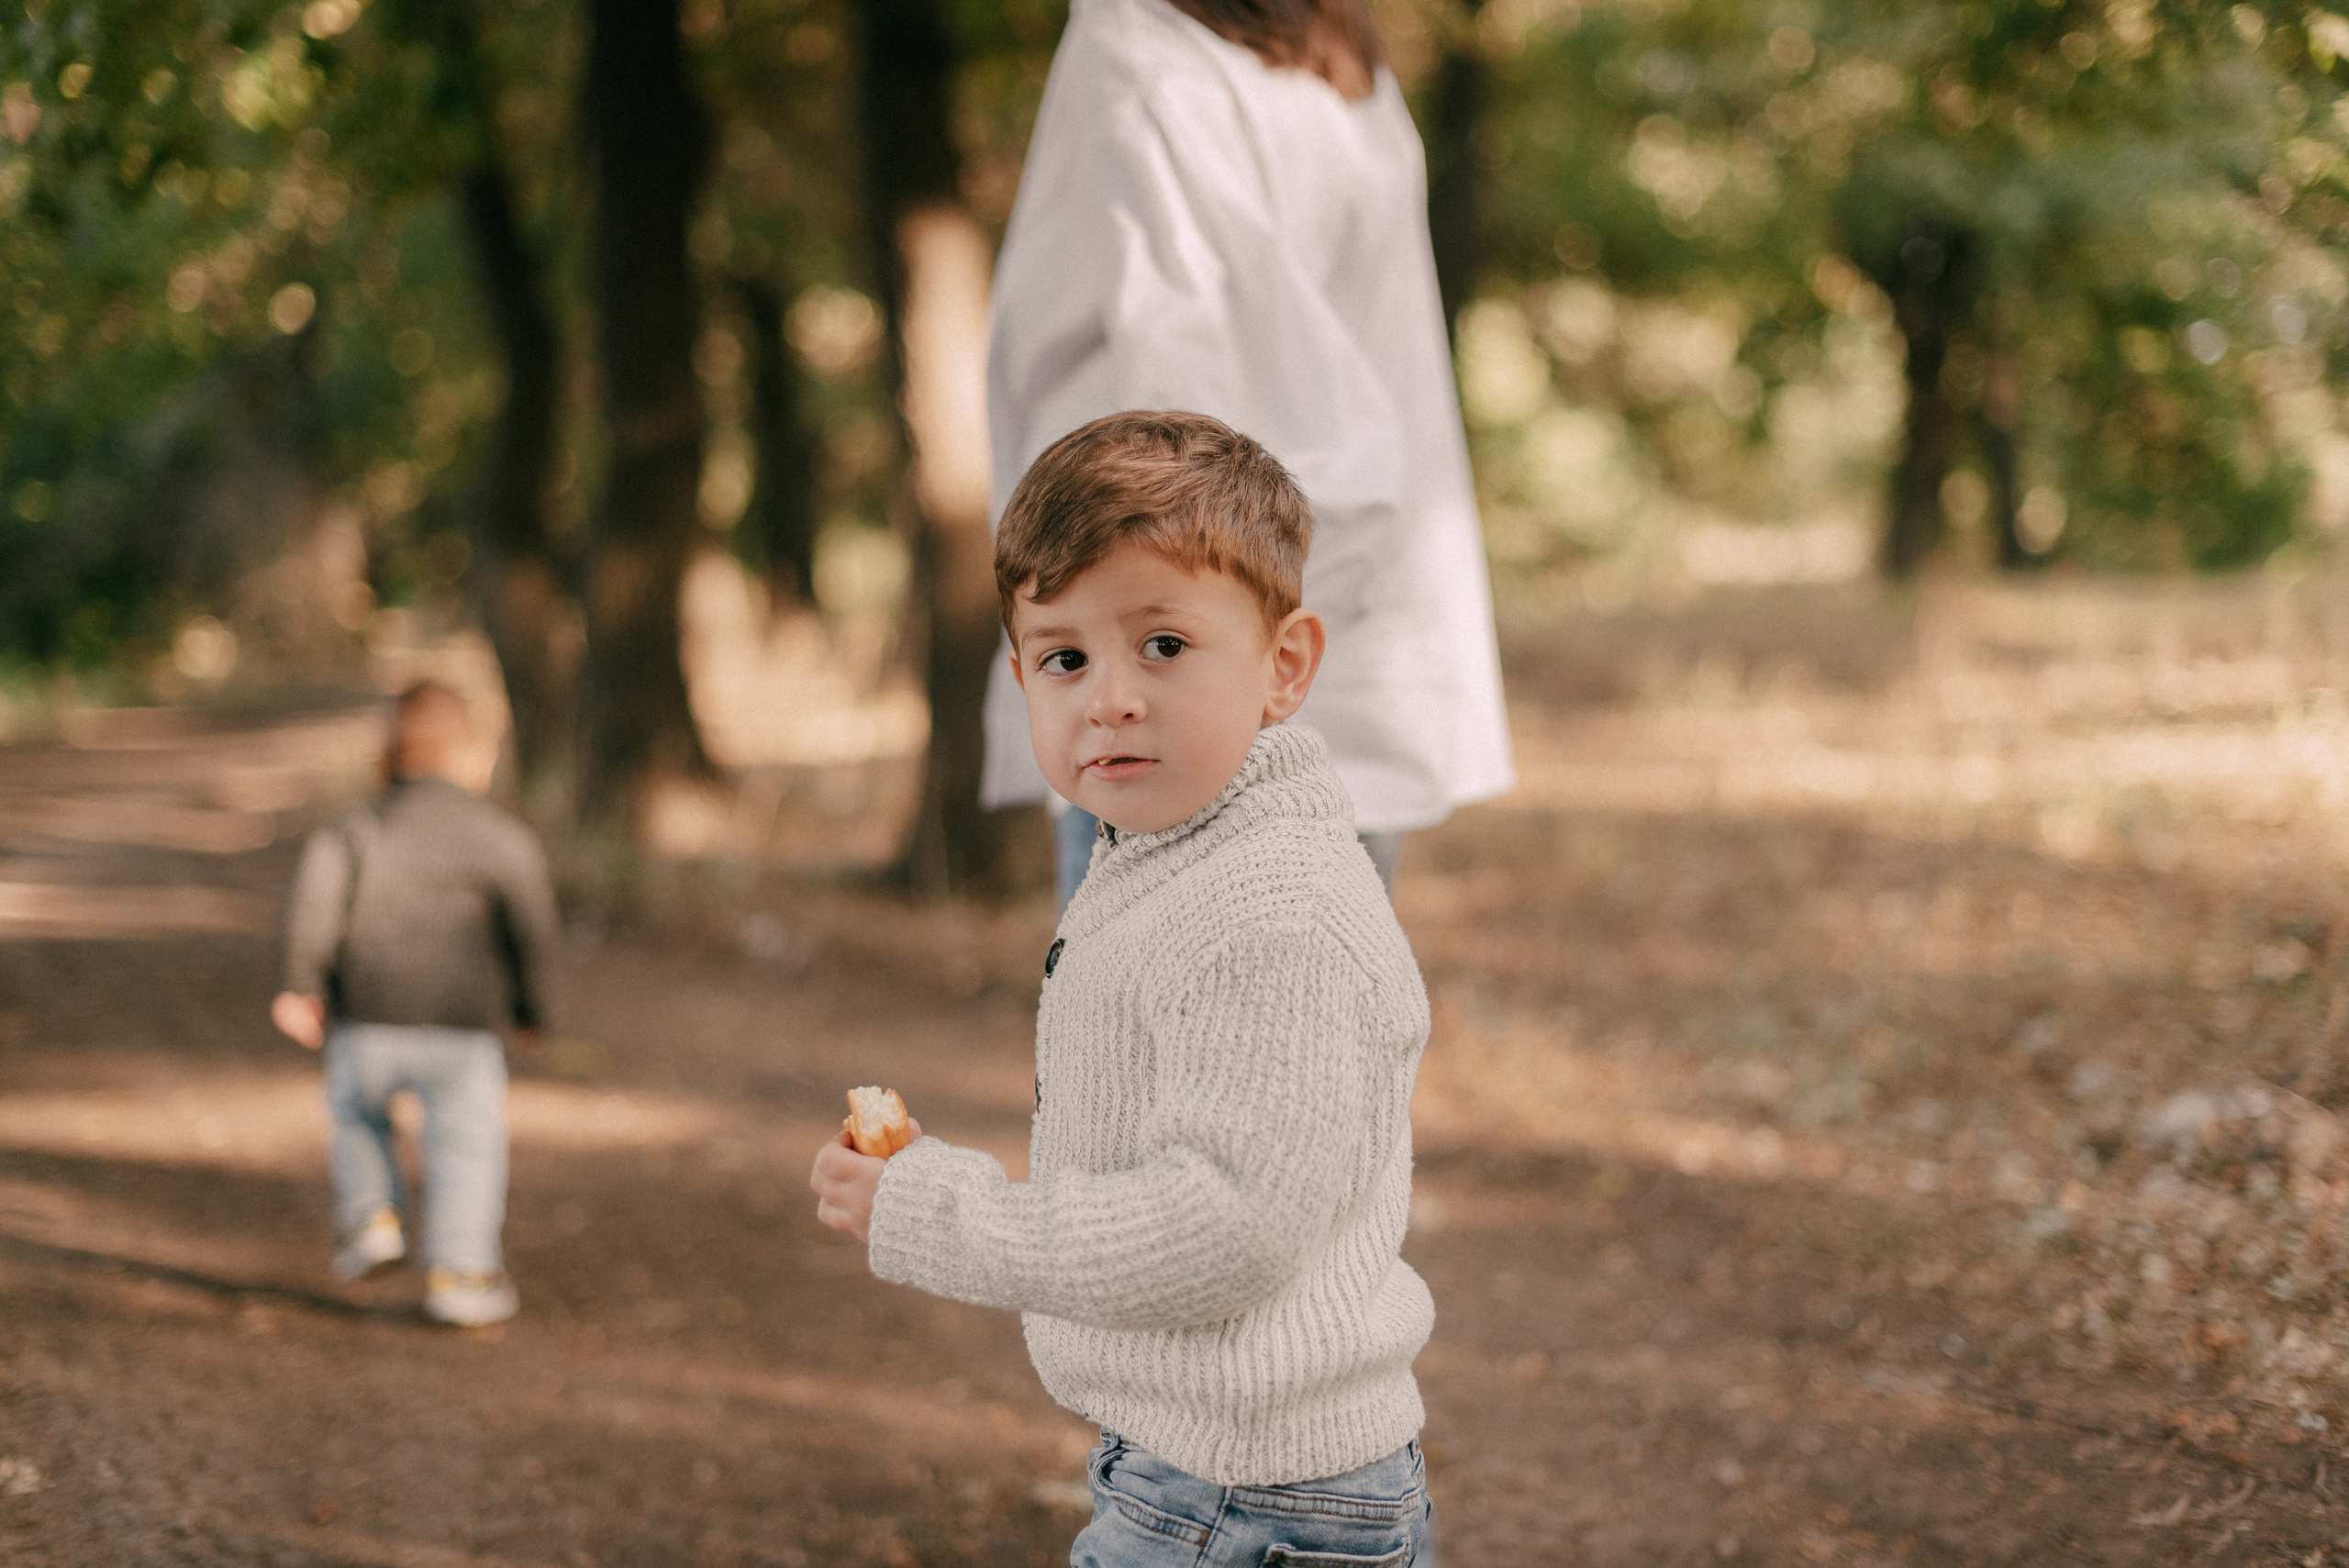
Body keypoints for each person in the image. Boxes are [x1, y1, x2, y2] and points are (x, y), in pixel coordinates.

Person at [811, 412, 1440, 1565]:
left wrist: (940, 1210)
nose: (1109, 696)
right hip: (1213, 1464)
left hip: (1244, 1496)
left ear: (1283, 664)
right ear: (1020, 677)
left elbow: (1223, 1225)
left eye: (1162, 644)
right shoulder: (1176, 854)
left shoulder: (1272, 914)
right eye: (1064, 657)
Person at [977, 0, 1514, 909]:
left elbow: (1173, 374)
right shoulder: (1344, 61)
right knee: (1312, 1030)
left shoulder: (1135, 37)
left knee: (1131, 1035)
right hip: (1327, 629)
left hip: (1176, 649)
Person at [272, 680, 559, 1328]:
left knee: (356, 1113)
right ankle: (461, 1272)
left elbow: (316, 904)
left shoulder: (354, 829)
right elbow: (531, 929)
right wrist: (529, 1009)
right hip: (459, 1032)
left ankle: (372, 1215)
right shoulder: (499, 838)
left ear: (387, 758)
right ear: (470, 758)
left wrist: (300, 984)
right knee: (467, 1143)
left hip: (367, 1021)